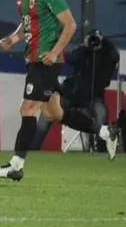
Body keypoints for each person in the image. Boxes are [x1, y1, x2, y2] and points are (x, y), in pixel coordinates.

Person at [0, 0, 90, 182]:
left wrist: (54, 52)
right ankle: (106, 132)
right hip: (32, 60)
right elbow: (27, 24)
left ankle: (16, 165)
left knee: (28, 108)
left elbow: (70, 25)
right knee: (54, 113)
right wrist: (13, 39)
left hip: (46, 61)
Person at [32, 29, 121, 157]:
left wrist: (105, 43)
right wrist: (85, 48)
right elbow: (71, 58)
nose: (94, 42)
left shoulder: (107, 55)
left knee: (101, 114)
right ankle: (33, 148)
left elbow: (114, 59)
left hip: (93, 96)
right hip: (70, 92)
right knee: (47, 113)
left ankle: (102, 151)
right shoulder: (83, 52)